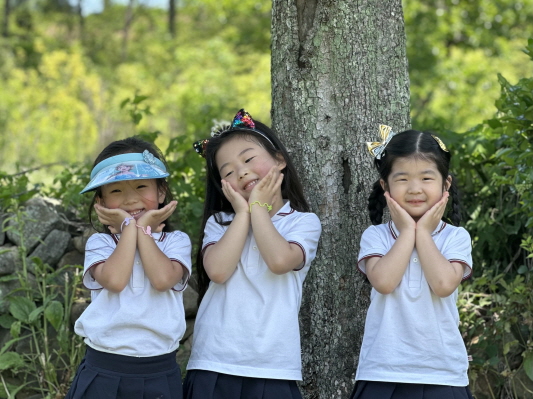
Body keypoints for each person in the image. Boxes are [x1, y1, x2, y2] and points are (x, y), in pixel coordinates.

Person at [184, 109, 322, 399]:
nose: (242, 171)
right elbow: (218, 271)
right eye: (228, 171)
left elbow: (280, 261)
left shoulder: (302, 222)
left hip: (272, 366)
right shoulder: (220, 223)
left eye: (248, 160)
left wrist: (258, 208)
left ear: (279, 160)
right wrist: (244, 213)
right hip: (214, 361)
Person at [350, 125, 474, 399]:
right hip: (382, 373)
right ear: (386, 186)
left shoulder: (456, 237)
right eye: (402, 179)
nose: (415, 189)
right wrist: (408, 232)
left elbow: (443, 284)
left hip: (443, 374)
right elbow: (383, 282)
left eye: (427, 178)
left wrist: (423, 234)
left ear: (446, 184)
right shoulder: (377, 236)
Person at [65, 136, 191, 399]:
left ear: (161, 191)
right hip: (104, 368)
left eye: (141, 186)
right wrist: (127, 228)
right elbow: (115, 280)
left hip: (160, 369)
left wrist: (139, 230)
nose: (130, 199)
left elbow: (162, 279)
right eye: (116, 190)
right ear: (100, 201)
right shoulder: (101, 243)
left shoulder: (175, 242)